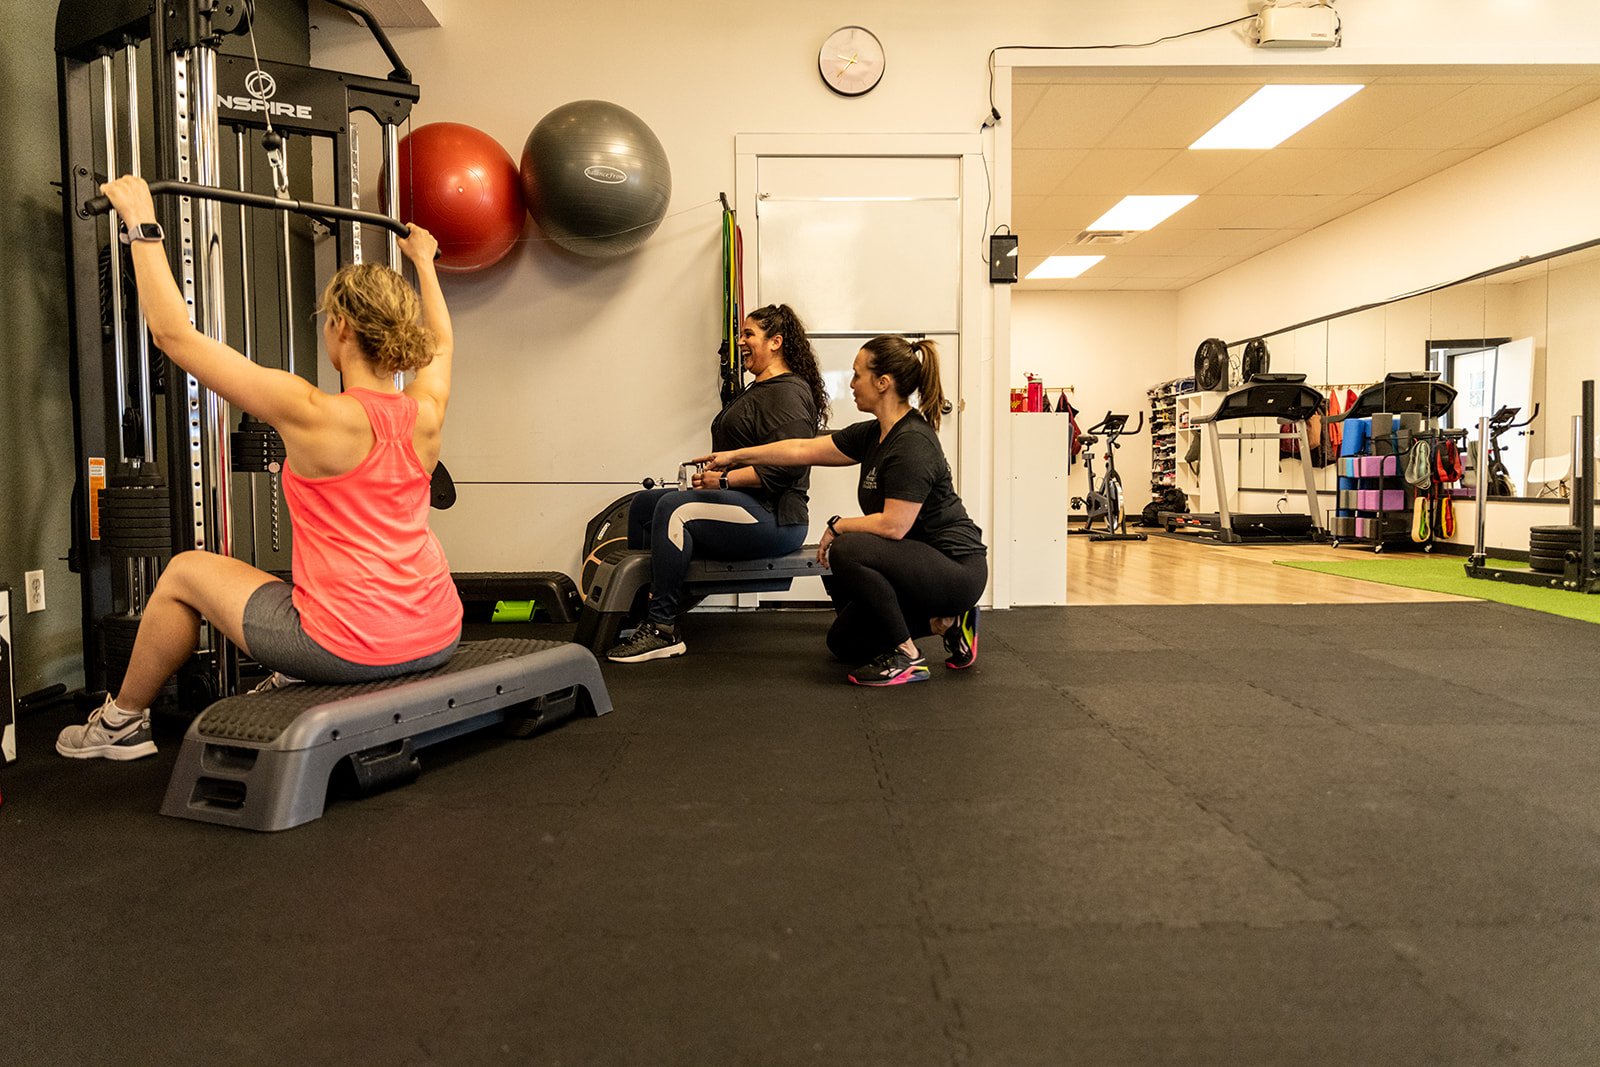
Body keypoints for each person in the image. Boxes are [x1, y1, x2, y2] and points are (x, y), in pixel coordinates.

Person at [57, 175, 463, 760]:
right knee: (300, 584)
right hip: (437, 631)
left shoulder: (312, 411)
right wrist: (425, 263)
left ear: (341, 328)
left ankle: (120, 723)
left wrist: (140, 221)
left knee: (184, 573)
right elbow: (443, 346)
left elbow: (174, 337)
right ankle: (291, 673)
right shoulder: (425, 411)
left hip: (348, 649)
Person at [701, 335, 986, 686]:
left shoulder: (912, 443)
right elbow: (802, 450)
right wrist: (734, 457)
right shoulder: (874, 434)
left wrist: (839, 526)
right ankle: (946, 623)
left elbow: (894, 526)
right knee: (844, 642)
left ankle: (908, 658)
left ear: (883, 383)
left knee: (850, 547)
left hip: (955, 569)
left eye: (856, 375)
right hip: (916, 563)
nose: (851, 384)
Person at [606, 304, 828, 663]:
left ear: (775, 342)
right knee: (644, 505)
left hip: (776, 519)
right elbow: (751, 453)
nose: (740, 341)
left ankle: (663, 629)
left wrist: (722, 480)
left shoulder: (785, 393)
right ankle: (642, 611)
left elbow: (786, 470)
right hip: (745, 505)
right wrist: (720, 473)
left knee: (673, 510)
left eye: (748, 334)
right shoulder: (759, 389)